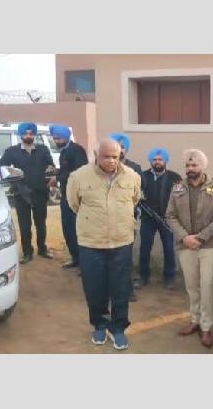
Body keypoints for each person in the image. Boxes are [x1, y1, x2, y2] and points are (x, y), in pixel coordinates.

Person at [66, 139, 141, 350]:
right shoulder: (79, 177)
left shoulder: (132, 176)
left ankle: (118, 328)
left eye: (115, 157)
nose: (111, 161)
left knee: (120, 288)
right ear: (96, 155)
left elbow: (134, 200)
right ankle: (99, 324)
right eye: (106, 156)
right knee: (94, 288)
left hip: (121, 242)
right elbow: (74, 204)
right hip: (91, 243)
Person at [165, 149, 213, 348]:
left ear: (203, 166)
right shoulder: (177, 188)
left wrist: (200, 238)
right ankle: (195, 320)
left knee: (207, 285)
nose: (190, 168)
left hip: (208, 245)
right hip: (185, 245)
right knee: (192, 286)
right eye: (187, 165)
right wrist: (185, 237)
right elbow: (170, 215)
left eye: (194, 165)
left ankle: (206, 326)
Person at [0, 122, 54, 264]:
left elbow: (50, 165)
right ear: (20, 134)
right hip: (21, 193)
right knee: (24, 225)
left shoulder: (43, 149)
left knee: (41, 224)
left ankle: (42, 249)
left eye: (31, 133)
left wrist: (52, 172)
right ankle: (27, 253)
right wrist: (8, 172)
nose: (28, 136)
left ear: (34, 134)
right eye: (25, 133)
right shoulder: (12, 151)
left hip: (40, 192)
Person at [137, 147, 182, 290]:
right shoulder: (142, 176)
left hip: (166, 219)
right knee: (144, 249)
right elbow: (136, 196)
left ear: (165, 161)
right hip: (148, 219)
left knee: (169, 249)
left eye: (160, 159)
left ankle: (169, 278)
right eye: (154, 159)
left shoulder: (175, 178)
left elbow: (180, 198)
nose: (157, 162)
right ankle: (143, 277)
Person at [48, 124, 88, 270]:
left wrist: (58, 177)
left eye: (58, 138)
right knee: (67, 229)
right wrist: (57, 172)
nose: (56, 141)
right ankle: (75, 258)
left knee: (77, 230)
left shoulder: (76, 150)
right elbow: (67, 169)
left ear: (66, 137)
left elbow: (79, 171)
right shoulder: (64, 152)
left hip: (76, 197)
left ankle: (84, 264)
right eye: (54, 139)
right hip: (65, 195)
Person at [109, 132, 142, 302]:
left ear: (126, 149)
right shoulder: (99, 168)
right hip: (105, 221)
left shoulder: (135, 168)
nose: (119, 150)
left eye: (122, 147)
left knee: (124, 257)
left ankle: (127, 290)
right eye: (116, 146)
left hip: (126, 221)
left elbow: (137, 195)